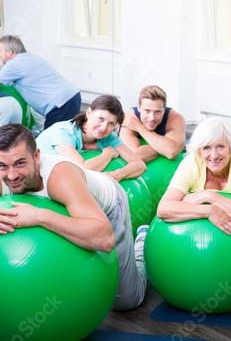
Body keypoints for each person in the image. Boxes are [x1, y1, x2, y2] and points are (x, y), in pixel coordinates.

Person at [0, 124, 147, 310]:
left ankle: (142, 243)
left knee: (126, 301)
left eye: (20, 163)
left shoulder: (59, 177)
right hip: (71, 207)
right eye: (3, 166)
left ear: (36, 157)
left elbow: (103, 239)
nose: (11, 175)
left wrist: (39, 216)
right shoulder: (3, 174)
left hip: (107, 207)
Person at [157, 117, 231, 235]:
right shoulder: (191, 163)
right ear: (199, 151)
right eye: (207, 147)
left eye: (220, 146)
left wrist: (209, 196)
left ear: (230, 147)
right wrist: (209, 210)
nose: (214, 155)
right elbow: (163, 209)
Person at [36, 95, 146, 182]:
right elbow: (82, 169)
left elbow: (140, 165)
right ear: (89, 113)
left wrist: (116, 175)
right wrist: (108, 154)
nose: (104, 128)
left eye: (111, 123)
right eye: (100, 119)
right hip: (36, 176)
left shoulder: (108, 136)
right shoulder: (63, 132)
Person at [0, 35, 81, 130]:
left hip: (60, 104)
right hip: (72, 96)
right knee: (67, 134)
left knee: (50, 141)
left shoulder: (13, 64)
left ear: (9, 52)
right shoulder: (31, 57)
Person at [120, 85, 185, 162]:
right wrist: (165, 148)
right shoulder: (130, 119)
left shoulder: (175, 118)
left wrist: (139, 128)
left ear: (164, 110)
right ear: (138, 107)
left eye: (157, 112)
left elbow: (171, 152)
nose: (152, 118)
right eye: (147, 111)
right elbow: (135, 156)